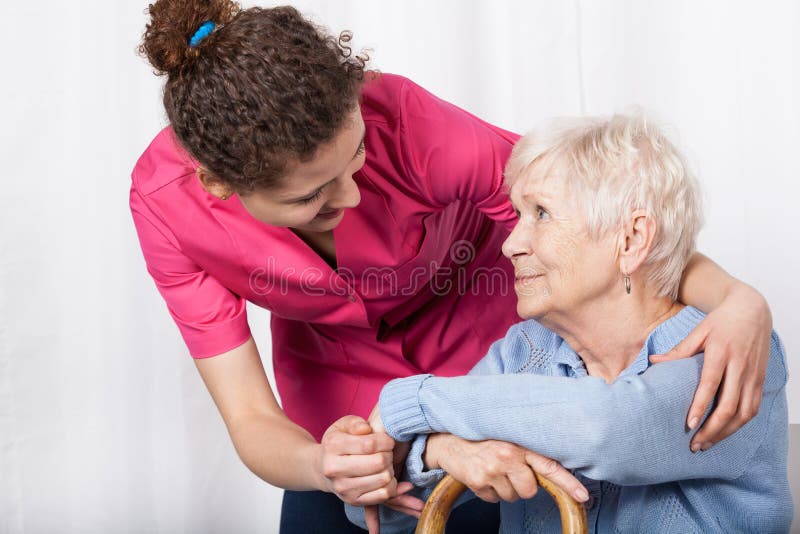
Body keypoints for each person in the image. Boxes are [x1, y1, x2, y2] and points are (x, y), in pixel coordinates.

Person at [131, 2, 775, 532]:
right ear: (221, 186)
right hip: (350, 416)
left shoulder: (410, 127)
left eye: (356, 157)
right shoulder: (167, 208)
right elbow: (252, 419)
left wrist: (739, 298)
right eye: (311, 198)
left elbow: (593, 220)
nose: (350, 198)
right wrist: (344, 460)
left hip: (483, 369)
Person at [355, 113, 792, 533]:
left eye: (541, 213)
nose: (510, 244)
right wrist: (437, 451)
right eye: (518, 215)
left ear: (632, 239)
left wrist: (409, 400)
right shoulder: (522, 352)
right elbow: (378, 517)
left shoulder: (735, 349)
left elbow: (613, 430)